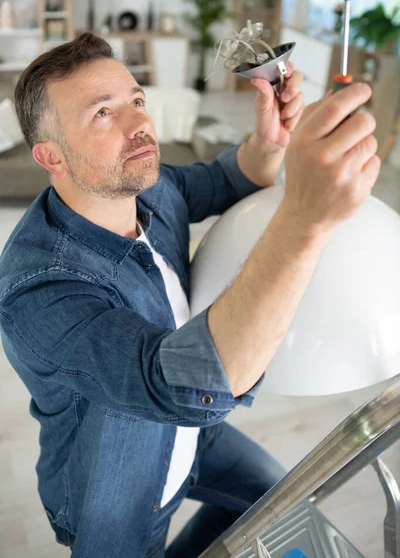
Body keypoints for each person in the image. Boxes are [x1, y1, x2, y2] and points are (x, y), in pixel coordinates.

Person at [0, 32, 379, 558]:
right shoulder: (37, 290)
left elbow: (225, 177)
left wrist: (269, 142)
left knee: (282, 499)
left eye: (136, 100)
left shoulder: (145, 184)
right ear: (51, 157)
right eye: (103, 114)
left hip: (195, 440)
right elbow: (181, 386)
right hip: (116, 489)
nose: (141, 127)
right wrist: (306, 219)